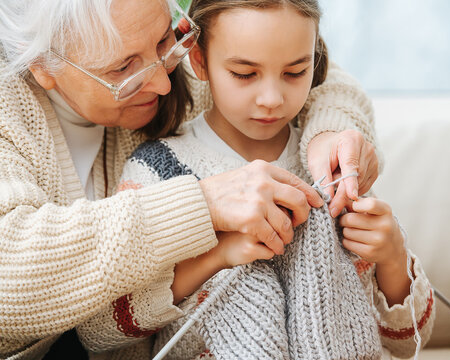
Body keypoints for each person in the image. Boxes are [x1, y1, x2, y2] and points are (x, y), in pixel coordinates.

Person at [0, 0, 382, 358]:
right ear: (42, 65)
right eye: (123, 70)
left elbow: (319, 73)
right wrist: (203, 205)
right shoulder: (9, 106)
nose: (165, 84)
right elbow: (10, 275)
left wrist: (332, 132)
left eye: (166, 39)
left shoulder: (183, 63)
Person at [82, 0, 435, 359]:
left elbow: (406, 341)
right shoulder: (158, 171)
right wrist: (215, 256)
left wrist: (392, 257)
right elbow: (102, 331)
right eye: (245, 74)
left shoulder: (331, 168)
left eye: (295, 72)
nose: (271, 99)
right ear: (199, 61)